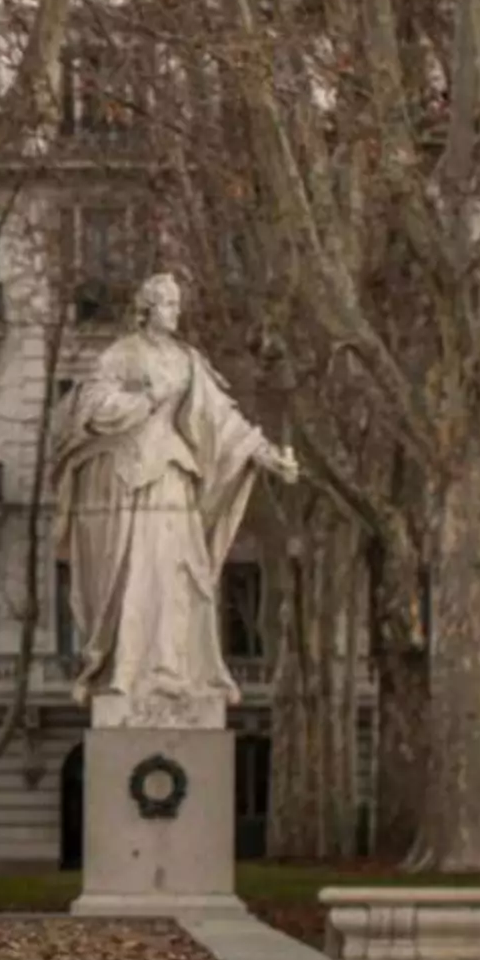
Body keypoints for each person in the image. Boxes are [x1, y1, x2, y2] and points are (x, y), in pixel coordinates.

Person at [50, 272, 300, 711]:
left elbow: (221, 418)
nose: (175, 311)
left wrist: (265, 453)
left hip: (173, 473)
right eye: (166, 303)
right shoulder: (122, 355)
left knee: (180, 572)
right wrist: (145, 401)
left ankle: (174, 669)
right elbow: (89, 406)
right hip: (128, 479)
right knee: (133, 572)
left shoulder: (188, 360)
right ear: (146, 308)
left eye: (177, 303)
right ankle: (125, 670)